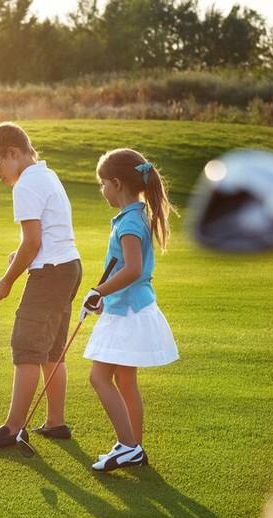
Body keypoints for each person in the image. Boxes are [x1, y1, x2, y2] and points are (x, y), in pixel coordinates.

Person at [0, 122, 83, 448]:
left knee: (26, 348)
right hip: (69, 267)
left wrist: (7, 281)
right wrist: (19, 255)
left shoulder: (24, 187)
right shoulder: (47, 176)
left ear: (12, 153)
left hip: (50, 273)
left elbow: (33, 241)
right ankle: (55, 422)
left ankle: (12, 428)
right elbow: (44, 236)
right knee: (52, 350)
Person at [81, 148, 179, 471]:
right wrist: (103, 297)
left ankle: (128, 446)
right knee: (125, 381)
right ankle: (133, 447)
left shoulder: (129, 223)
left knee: (98, 377)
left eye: (103, 184)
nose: (102, 190)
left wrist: (98, 290)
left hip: (127, 312)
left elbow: (133, 268)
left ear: (117, 184)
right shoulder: (134, 217)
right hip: (129, 308)